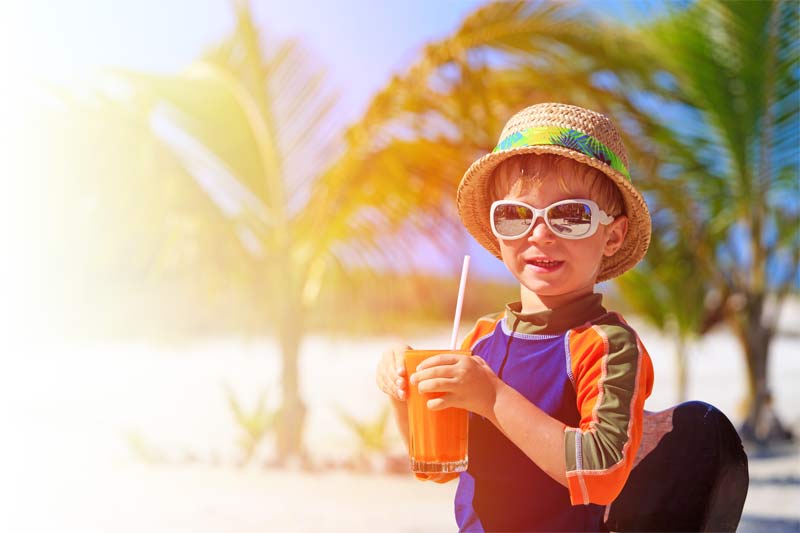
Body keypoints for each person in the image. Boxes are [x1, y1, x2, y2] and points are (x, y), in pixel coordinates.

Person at [376, 102, 655, 532]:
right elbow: (441, 467)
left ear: (613, 235)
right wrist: (404, 394)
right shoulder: (483, 338)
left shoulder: (606, 345)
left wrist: (491, 397)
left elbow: (601, 472)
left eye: (571, 215)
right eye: (516, 216)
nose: (540, 233)